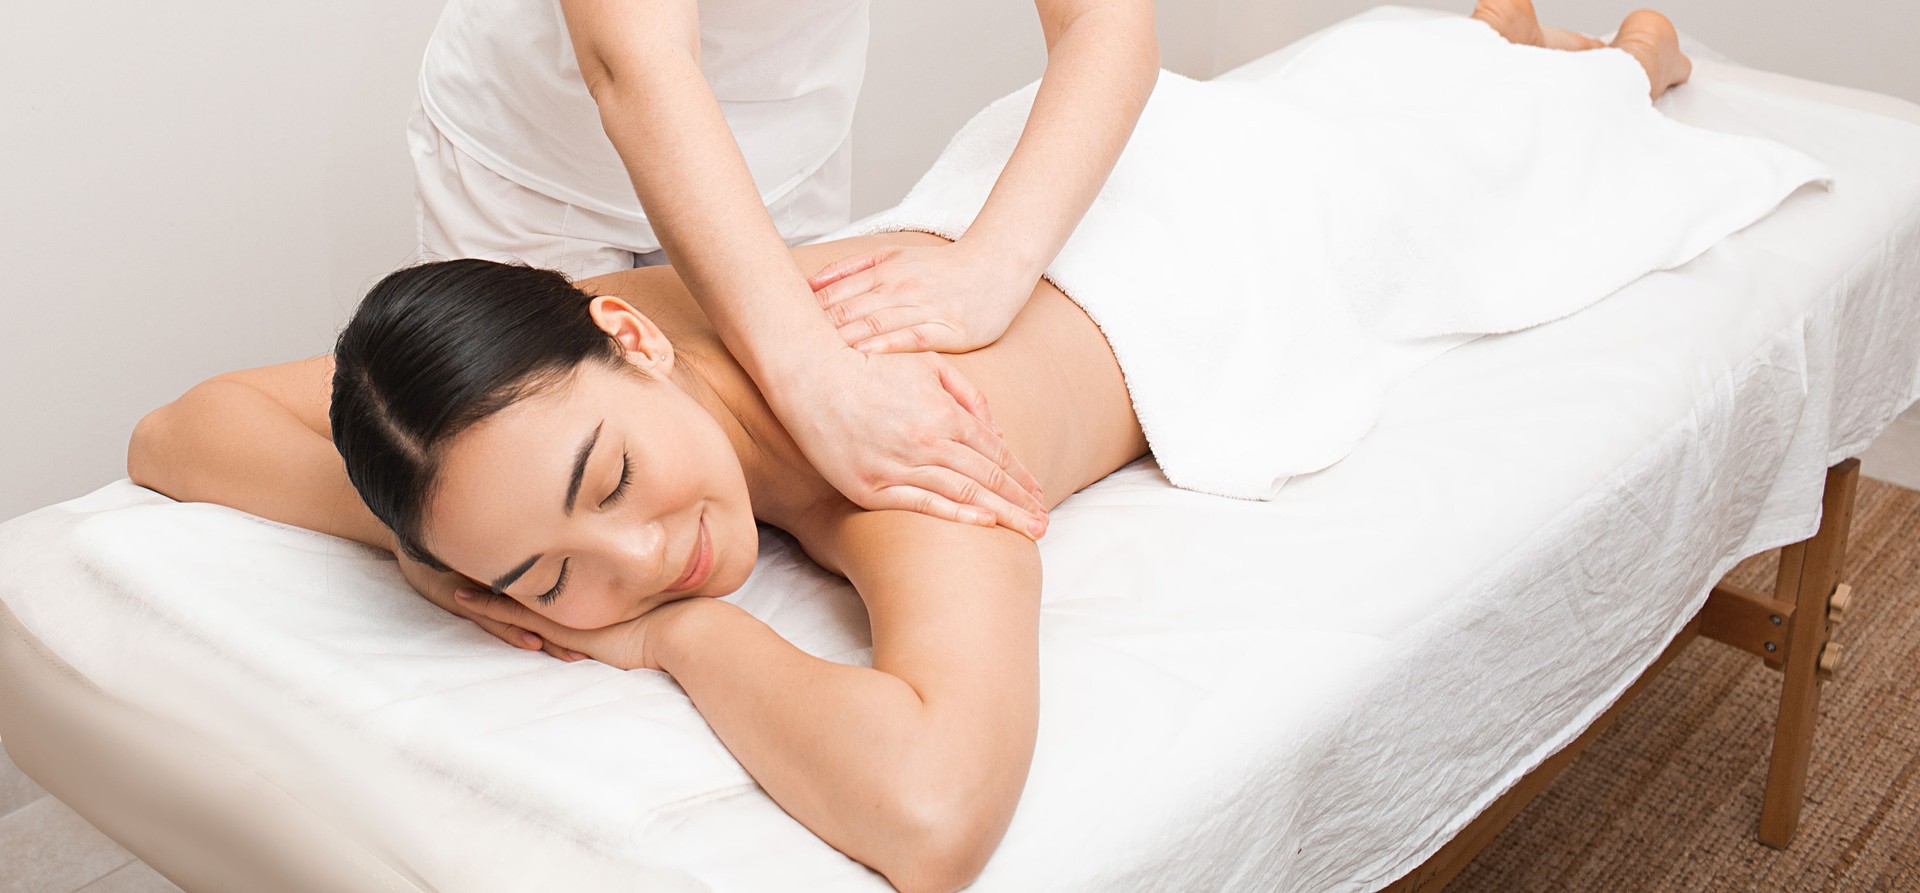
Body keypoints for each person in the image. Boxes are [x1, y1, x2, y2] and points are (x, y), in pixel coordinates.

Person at [131, 3, 1702, 888]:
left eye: (608, 491)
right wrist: (475, 557)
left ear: (624, 336)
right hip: (1088, 196)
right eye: (546, 579)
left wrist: (675, 639)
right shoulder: (595, 341)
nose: (640, 555)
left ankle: (1621, 66)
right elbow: (175, 432)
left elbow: (937, 814)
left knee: (1483, 147)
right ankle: (1508, 43)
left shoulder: (913, 459)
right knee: (1404, 99)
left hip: (1239, 229)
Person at [414, 0, 1161, 548]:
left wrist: (994, 265)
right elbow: (632, 55)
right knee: (506, 498)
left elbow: (1106, 22)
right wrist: (814, 377)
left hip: (782, 169)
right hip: (533, 172)